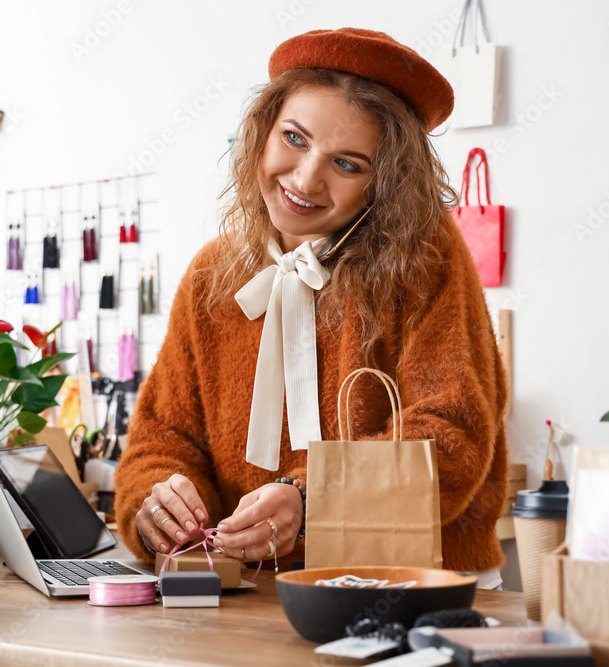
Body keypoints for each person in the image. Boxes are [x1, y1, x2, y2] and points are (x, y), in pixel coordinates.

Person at [114, 27, 508, 587]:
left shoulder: (427, 259)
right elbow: (162, 439)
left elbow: (452, 437)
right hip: (246, 595)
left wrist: (312, 500)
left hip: (411, 584)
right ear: (261, 133)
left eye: (348, 164)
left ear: (386, 186)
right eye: (294, 138)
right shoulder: (211, 275)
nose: (305, 178)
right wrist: (159, 504)